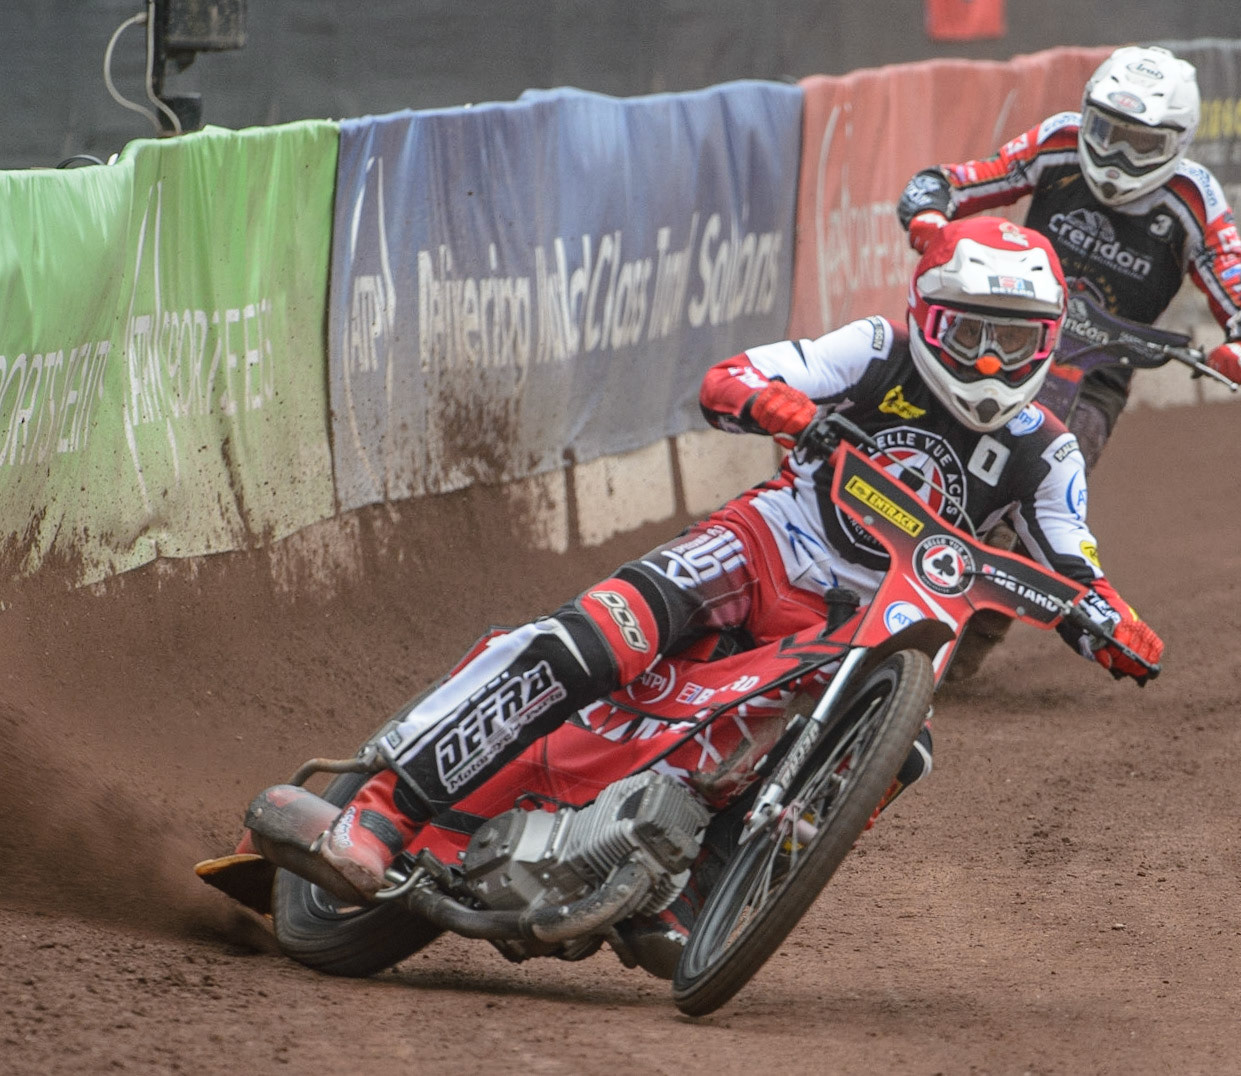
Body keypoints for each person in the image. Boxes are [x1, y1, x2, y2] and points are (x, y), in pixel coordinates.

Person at [308, 217, 1164, 962]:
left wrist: (1112, 622)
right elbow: (731, 378)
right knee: (602, 636)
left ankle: (698, 894)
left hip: (869, 623)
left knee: (902, 750)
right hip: (763, 546)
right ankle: (388, 806)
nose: (987, 359)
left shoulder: (1043, 449)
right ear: (927, 318)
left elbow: (1072, 563)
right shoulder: (876, 351)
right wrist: (785, 410)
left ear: (1046, 345)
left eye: (1012, 342)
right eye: (971, 332)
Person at [896, 44, 1241, 677]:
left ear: (1177, 143)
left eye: (1140, 144)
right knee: (910, 444)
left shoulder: (1193, 201)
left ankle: (962, 652)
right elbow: (957, 179)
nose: (1117, 155)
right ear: (1087, 115)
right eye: (1107, 131)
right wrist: (931, 215)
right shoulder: (1058, 142)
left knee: (1034, 506)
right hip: (994, 338)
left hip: (1094, 374)